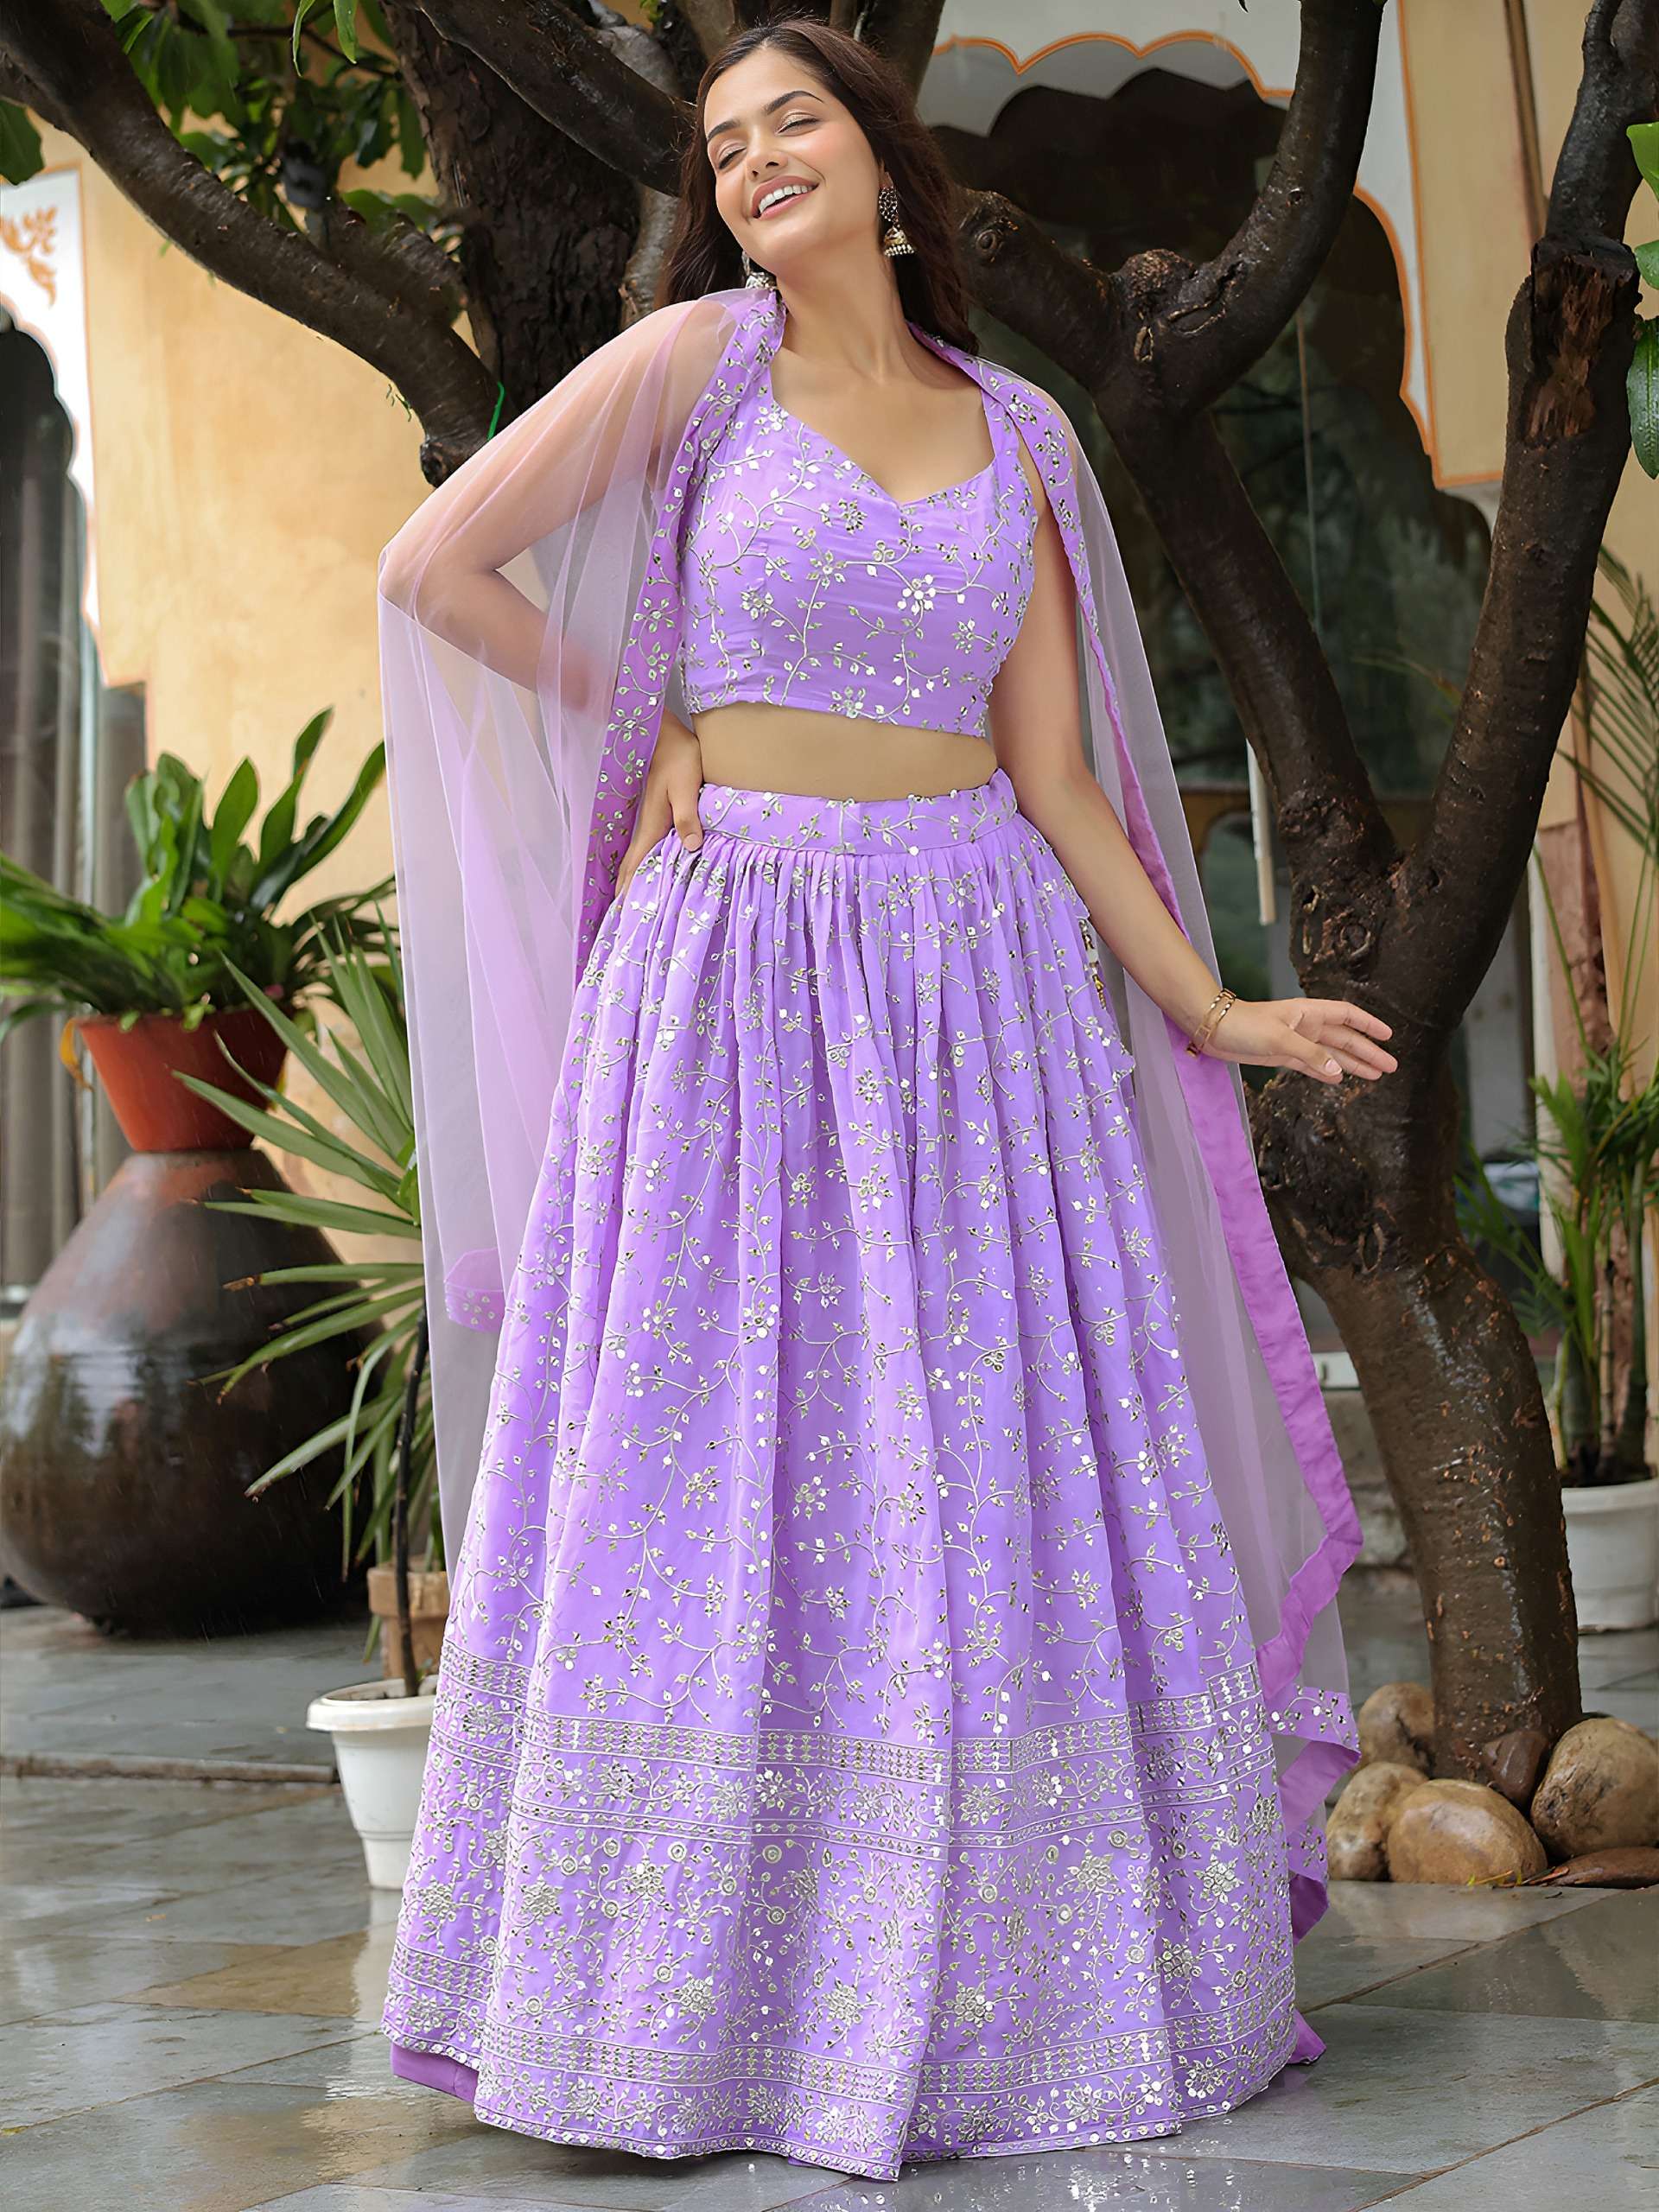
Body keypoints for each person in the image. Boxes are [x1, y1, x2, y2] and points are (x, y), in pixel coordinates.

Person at [372, 14, 1394, 2185]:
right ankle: (681, 2010)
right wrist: (636, 709)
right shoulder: (694, 370)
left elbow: (1062, 778)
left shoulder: (1020, 430)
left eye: (793, 121)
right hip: (740, 974)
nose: (756, 160)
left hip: (980, 988)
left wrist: (1218, 1009)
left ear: (879, 150)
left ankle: (993, 1988)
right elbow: (431, 566)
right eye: (723, 144)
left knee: (972, 1472)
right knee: (726, 1471)